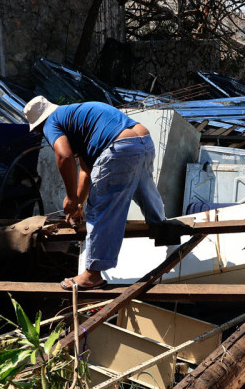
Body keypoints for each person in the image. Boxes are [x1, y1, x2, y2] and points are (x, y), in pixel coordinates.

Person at [24, 96, 166, 289]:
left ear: (39, 124)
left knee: (101, 210)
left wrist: (70, 197)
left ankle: (92, 275)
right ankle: (160, 224)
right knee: (143, 185)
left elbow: (64, 157)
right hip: (143, 141)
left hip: (119, 147)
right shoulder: (76, 116)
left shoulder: (51, 122)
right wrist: (78, 206)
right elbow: (86, 170)